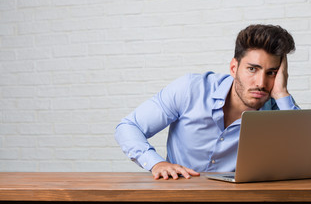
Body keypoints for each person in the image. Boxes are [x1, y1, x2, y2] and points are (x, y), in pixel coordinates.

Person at [115, 24, 300, 180]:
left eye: (271, 73)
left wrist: (282, 93)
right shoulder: (191, 90)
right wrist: (157, 163)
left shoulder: (279, 112)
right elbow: (129, 126)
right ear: (234, 68)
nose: (261, 83)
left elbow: (302, 161)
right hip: (178, 196)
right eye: (252, 69)